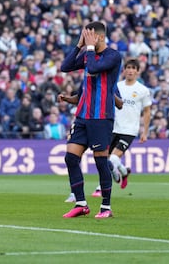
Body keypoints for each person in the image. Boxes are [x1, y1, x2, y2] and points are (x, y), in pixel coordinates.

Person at [60, 21, 122, 219]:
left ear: (100, 37)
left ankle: (106, 207)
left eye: (89, 36)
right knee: (70, 157)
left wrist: (87, 48)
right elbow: (65, 66)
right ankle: (81, 203)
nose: (87, 40)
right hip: (83, 115)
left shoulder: (112, 56)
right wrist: (79, 45)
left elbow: (94, 68)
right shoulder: (88, 53)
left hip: (101, 117)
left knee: (100, 162)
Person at [91, 57, 152, 196]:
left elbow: (147, 111)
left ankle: (101, 187)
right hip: (112, 127)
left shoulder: (142, 90)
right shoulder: (116, 86)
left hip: (129, 130)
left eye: (133, 68)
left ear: (138, 72)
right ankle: (124, 172)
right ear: (124, 70)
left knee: (112, 159)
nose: (130, 71)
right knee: (104, 160)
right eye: (128, 68)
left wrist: (145, 132)